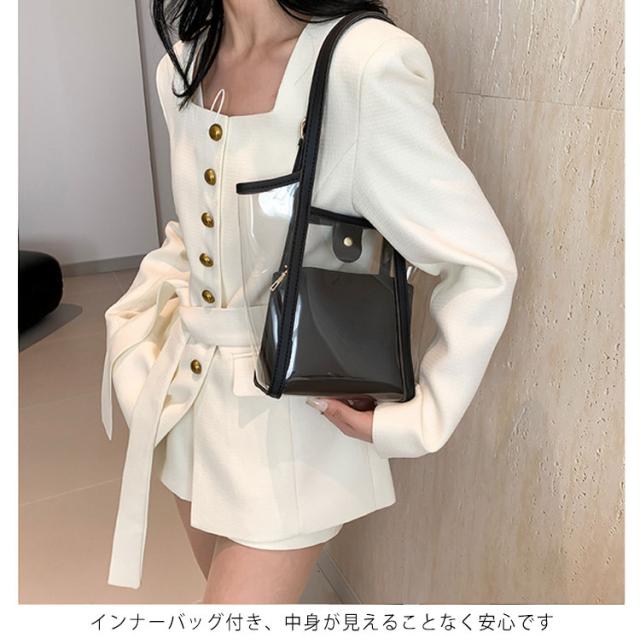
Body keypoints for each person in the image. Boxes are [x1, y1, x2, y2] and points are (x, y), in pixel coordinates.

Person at [101, 0, 518, 603]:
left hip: (291, 433)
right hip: (190, 412)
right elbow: (194, 232)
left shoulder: (361, 65)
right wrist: (141, 323)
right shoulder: (184, 66)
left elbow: (480, 263)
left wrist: (418, 418)